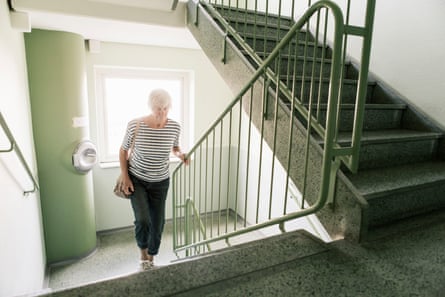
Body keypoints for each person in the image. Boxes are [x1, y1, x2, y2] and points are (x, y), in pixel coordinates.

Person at [118, 88, 188, 271]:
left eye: (165, 108)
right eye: (158, 108)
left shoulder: (174, 126)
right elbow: (123, 150)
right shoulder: (136, 124)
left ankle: (152, 256)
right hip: (138, 179)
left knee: (158, 222)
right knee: (143, 220)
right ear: (150, 106)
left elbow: (175, 147)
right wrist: (126, 178)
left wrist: (181, 155)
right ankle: (143, 254)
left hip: (161, 181)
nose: (162, 112)